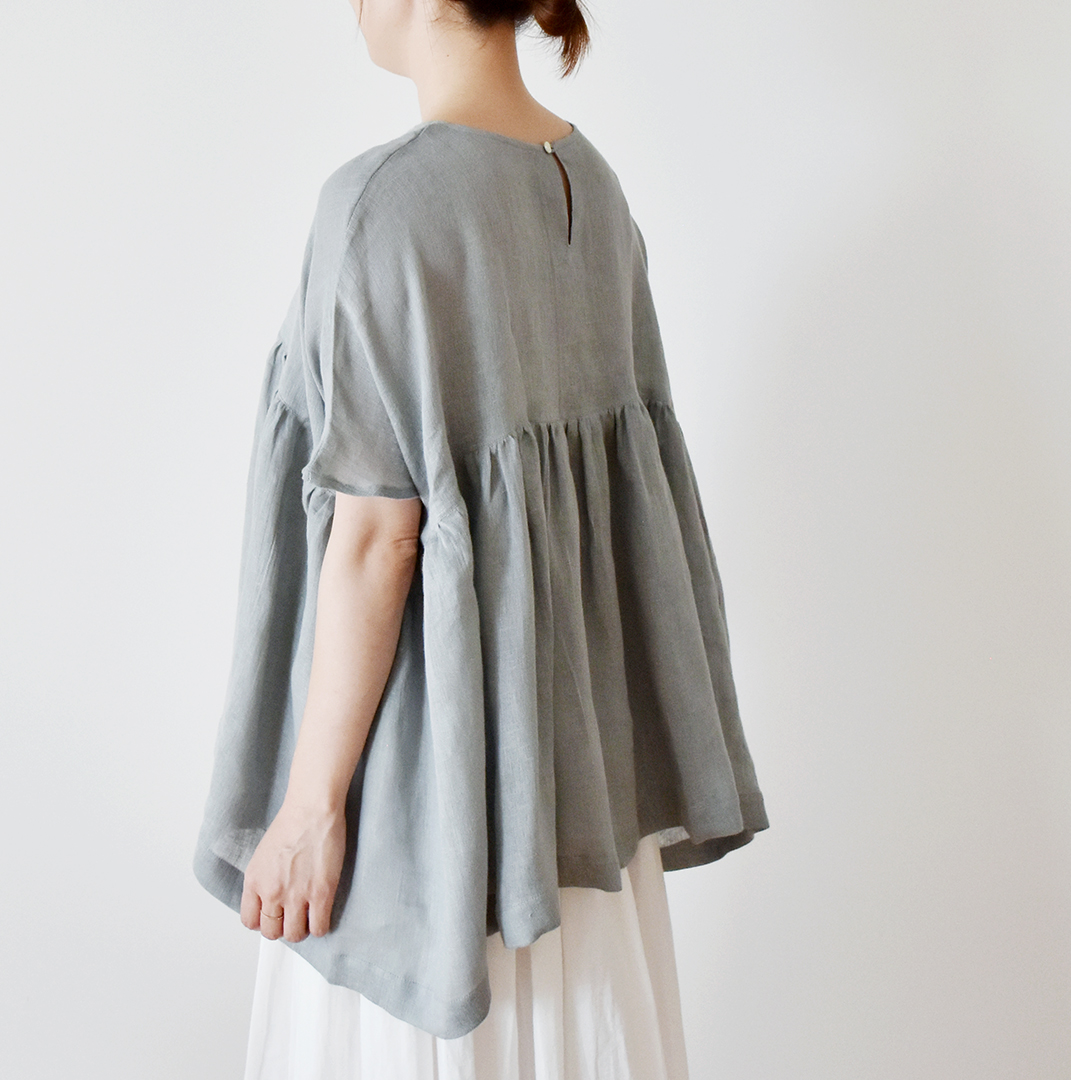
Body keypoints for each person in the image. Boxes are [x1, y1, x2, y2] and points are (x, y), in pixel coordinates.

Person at [193, 0, 770, 1076]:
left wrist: (310, 810)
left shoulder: (379, 205)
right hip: (573, 809)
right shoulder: (592, 186)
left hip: (425, 806)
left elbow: (377, 541)